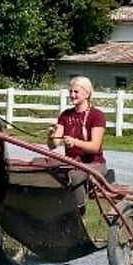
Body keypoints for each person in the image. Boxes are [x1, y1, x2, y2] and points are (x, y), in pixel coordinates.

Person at [46, 75, 108, 212]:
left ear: (87, 93)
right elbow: (53, 145)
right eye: (71, 92)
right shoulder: (65, 115)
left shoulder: (97, 116)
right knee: (45, 169)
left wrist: (75, 142)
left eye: (76, 92)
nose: (72, 95)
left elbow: (95, 147)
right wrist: (51, 135)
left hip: (94, 165)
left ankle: (79, 211)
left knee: (74, 175)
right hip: (72, 163)